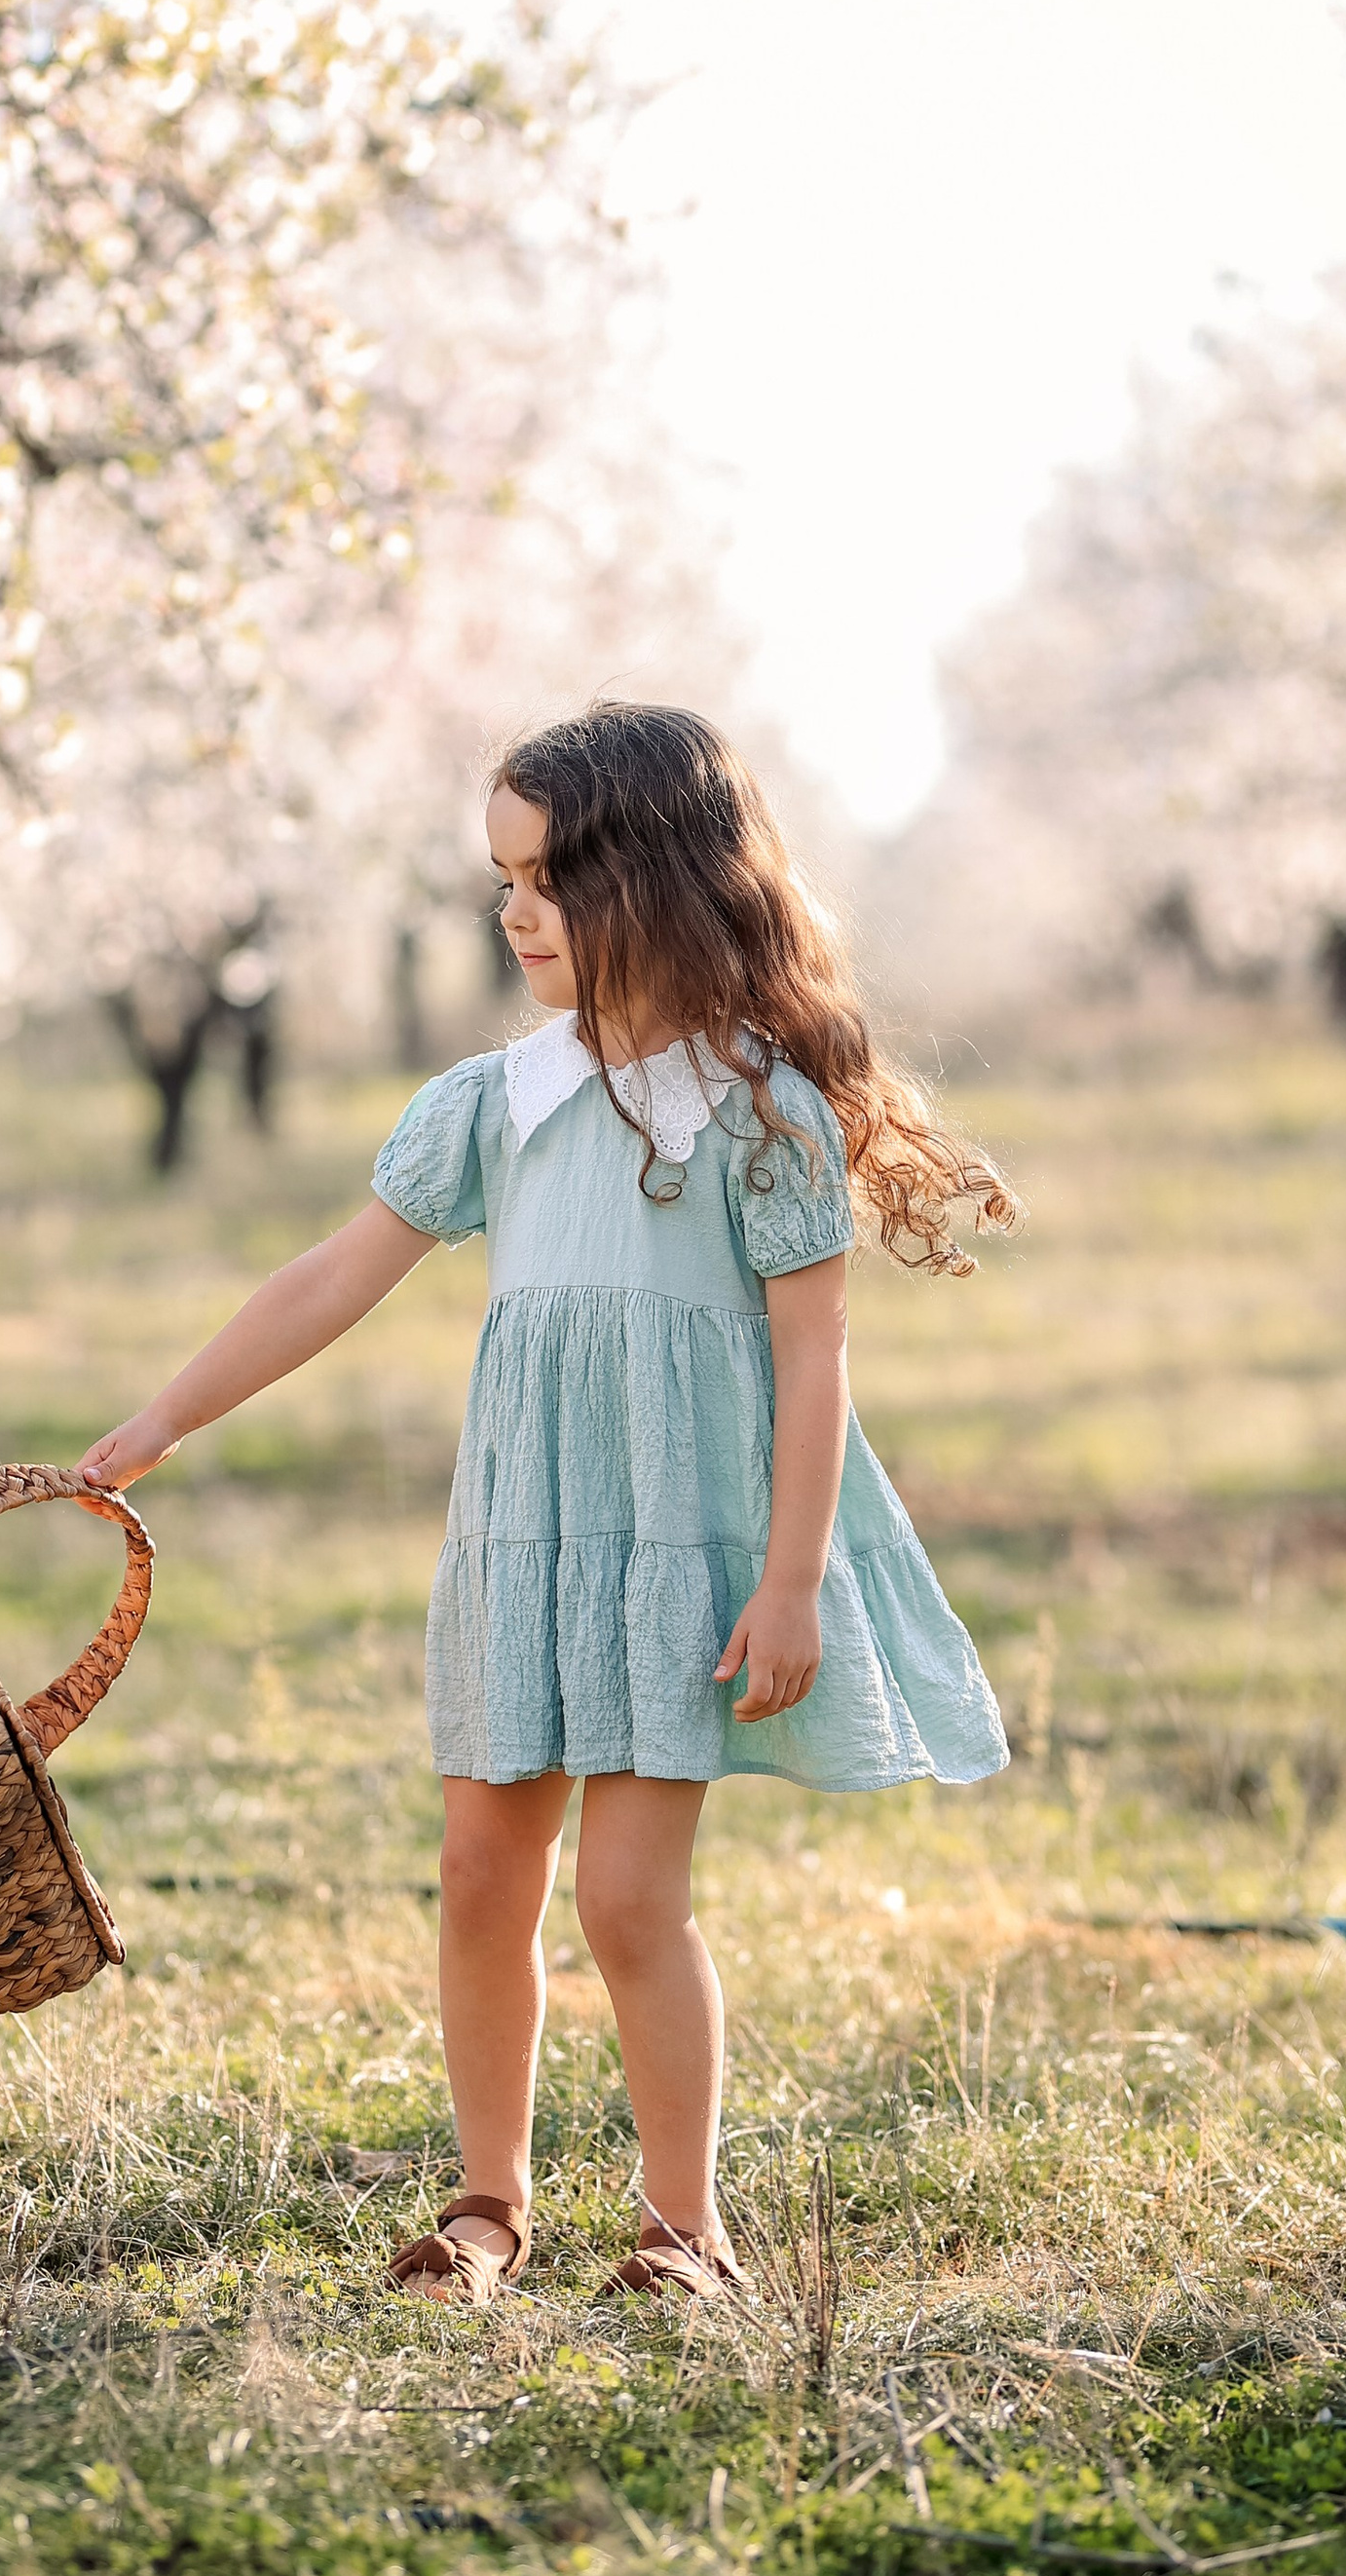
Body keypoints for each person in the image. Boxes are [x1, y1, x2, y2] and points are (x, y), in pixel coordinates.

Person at [81, 702, 1019, 2302]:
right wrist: (166, 1414)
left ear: (648, 879)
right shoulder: (492, 1102)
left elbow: (816, 1364)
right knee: (479, 1873)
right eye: (499, 879)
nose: (513, 912)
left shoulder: (762, 1112)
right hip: (528, 1541)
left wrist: (790, 1582)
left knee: (627, 1894)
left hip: (683, 1551)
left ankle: (686, 2230)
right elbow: (333, 1276)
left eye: (542, 879)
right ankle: (488, 2208)